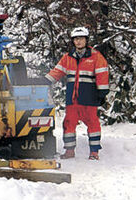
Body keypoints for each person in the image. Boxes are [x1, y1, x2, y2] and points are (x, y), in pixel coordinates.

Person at [45, 27, 109, 160]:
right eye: (76, 39)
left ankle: (94, 152)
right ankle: (69, 151)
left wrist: (102, 93)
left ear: (86, 40)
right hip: (72, 99)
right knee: (68, 124)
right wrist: (45, 81)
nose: (78, 42)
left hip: (89, 98)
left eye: (81, 39)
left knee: (93, 124)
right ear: (73, 41)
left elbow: (102, 75)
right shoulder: (68, 57)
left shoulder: (96, 56)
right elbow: (57, 72)